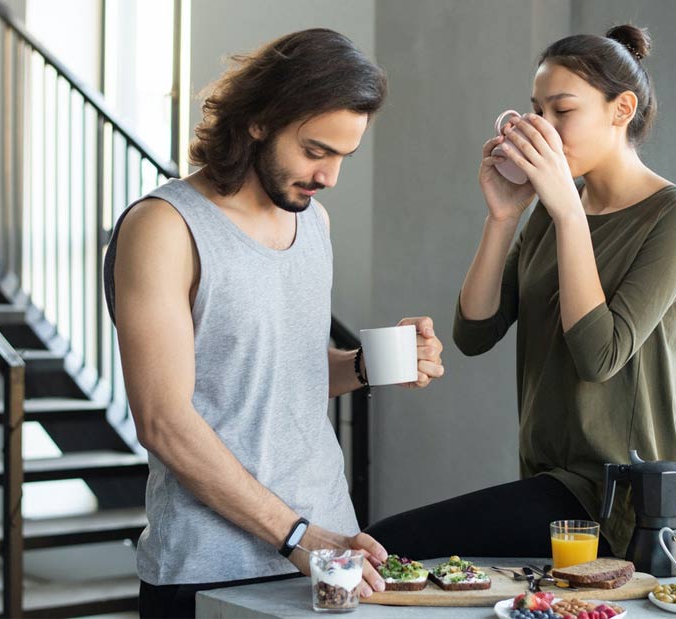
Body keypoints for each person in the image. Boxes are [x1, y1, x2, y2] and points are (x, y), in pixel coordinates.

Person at [103, 29, 445, 618]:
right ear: (259, 120)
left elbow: (282, 373)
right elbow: (163, 420)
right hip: (210, 570)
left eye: (343, 156)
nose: (330, 176)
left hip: (331, 559)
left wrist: (372, 365)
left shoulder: (314, 224)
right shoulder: (164, 228)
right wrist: (297, 536)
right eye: (315, 151)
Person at [366, 25, 676, 563]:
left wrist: (568, 211)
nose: (542, 129)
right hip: (547, 481)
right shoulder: (553, 209)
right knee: (393, 553)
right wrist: (503, 217)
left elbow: (599, 355)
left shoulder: (675, 215)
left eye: (562, 111)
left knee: (387, 544)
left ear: (621, 109)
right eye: (536, 111)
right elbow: (475, 332)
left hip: (615, 499)